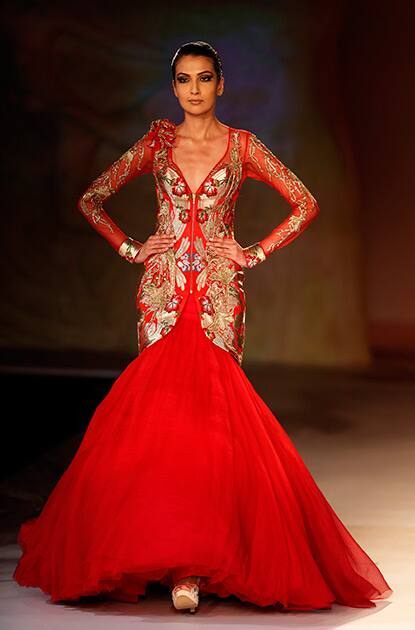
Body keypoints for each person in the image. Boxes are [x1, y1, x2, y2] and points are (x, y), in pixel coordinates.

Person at [13, 41, 393, 614]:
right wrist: (132, 248)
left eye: (204, 78)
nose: (194, 89)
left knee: (211, 429)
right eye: (184, 80)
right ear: (174, 88)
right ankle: (163, 558)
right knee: (161, 426)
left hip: (217, 299)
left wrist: (253, 252)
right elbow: (93, 198)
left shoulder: (242, 147)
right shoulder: (156, 145)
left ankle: (195, 565)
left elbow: (305, 201)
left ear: (221, 85)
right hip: (162, 295)